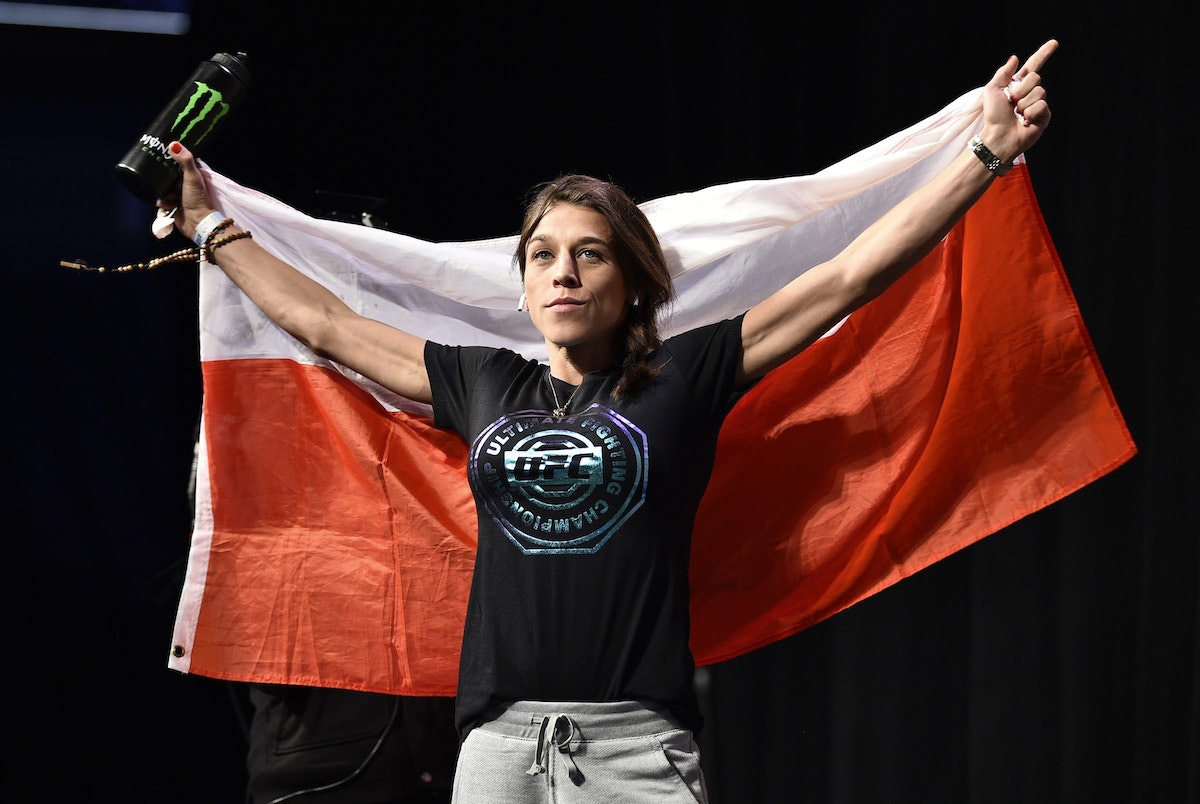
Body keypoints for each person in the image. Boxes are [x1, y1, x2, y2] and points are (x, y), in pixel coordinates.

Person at [161, 41, 1056, 803]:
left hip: (636, 748)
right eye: (543, 256)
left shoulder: (686, 375)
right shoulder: (482, 382)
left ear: (630, 282)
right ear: (522, 283)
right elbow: (329, 325)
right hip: (499, 752)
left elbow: (847, 278)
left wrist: (983, 152)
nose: (563, 273)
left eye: (590, 255)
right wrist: (210, 228)